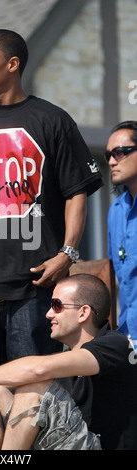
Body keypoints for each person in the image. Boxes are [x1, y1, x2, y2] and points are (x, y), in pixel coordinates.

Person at [0, 29, 103, 447]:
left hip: (34, 288)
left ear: (12, 64)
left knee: (34, 397)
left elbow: (76, 193)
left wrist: (66, 253)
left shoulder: (52, 119)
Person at [0, 274, 137, 450]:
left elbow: (38, 370)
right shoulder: (66, 360)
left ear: (83, 313)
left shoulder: (115, 344)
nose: (48, 314)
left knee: (34, 385)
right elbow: (16, 378)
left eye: (57, 306)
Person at [106, 121, 137, 352]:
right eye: (108, 154)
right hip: (127, 335)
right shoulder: (116, 210)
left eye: (119, 153)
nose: (110, 161)